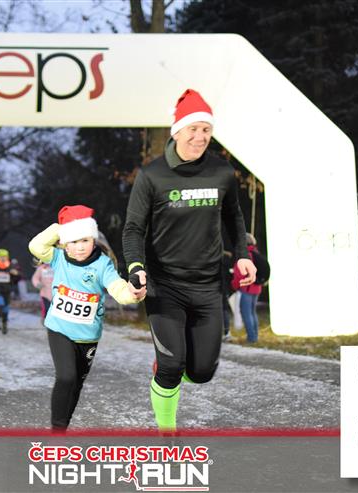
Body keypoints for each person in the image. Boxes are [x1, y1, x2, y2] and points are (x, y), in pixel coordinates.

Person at [122, 89, 257, 432]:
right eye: (193, 129)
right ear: (177, 131)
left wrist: (242, 256)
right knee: (172, 367)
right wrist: (136, 267)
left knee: (201, 372)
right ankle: (167, 431)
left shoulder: (221, 172)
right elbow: (134, 228)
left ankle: (169, 372)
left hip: (208, 287)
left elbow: (233, 218)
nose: (200, 137)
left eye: (206, 130)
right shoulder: (152, 176)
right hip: (164, 286)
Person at [29, 205, 143, 431]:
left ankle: (63, 425)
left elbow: (118, 288)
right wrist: (61, 228)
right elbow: (36, 246)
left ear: (93, 238)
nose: (80, 247)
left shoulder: (102, 264)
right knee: (66, 377)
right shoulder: (58, 257)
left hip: (88, 336)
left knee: (77, 383)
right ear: (64, 243)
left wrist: (132, 294)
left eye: (85, 240)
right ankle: (57, 431)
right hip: (59, 329)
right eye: (73, 241)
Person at [231, 233, 263, 343]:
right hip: (257, 288)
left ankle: (251, 338)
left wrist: (234, 285)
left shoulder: (245, 255)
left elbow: (239, 274)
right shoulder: (256, 252)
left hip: (246, 288)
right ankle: (255, 335)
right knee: (252, 312)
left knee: (246, 313)